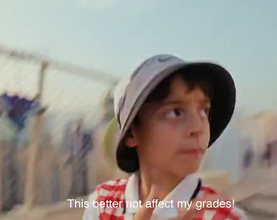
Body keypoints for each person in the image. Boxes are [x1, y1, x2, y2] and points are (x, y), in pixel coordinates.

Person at [83, 54, 248, 219]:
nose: (198, 127)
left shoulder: (225, 216)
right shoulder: (102, 204)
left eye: (204, 110)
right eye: (175, 112)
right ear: (133, 133)